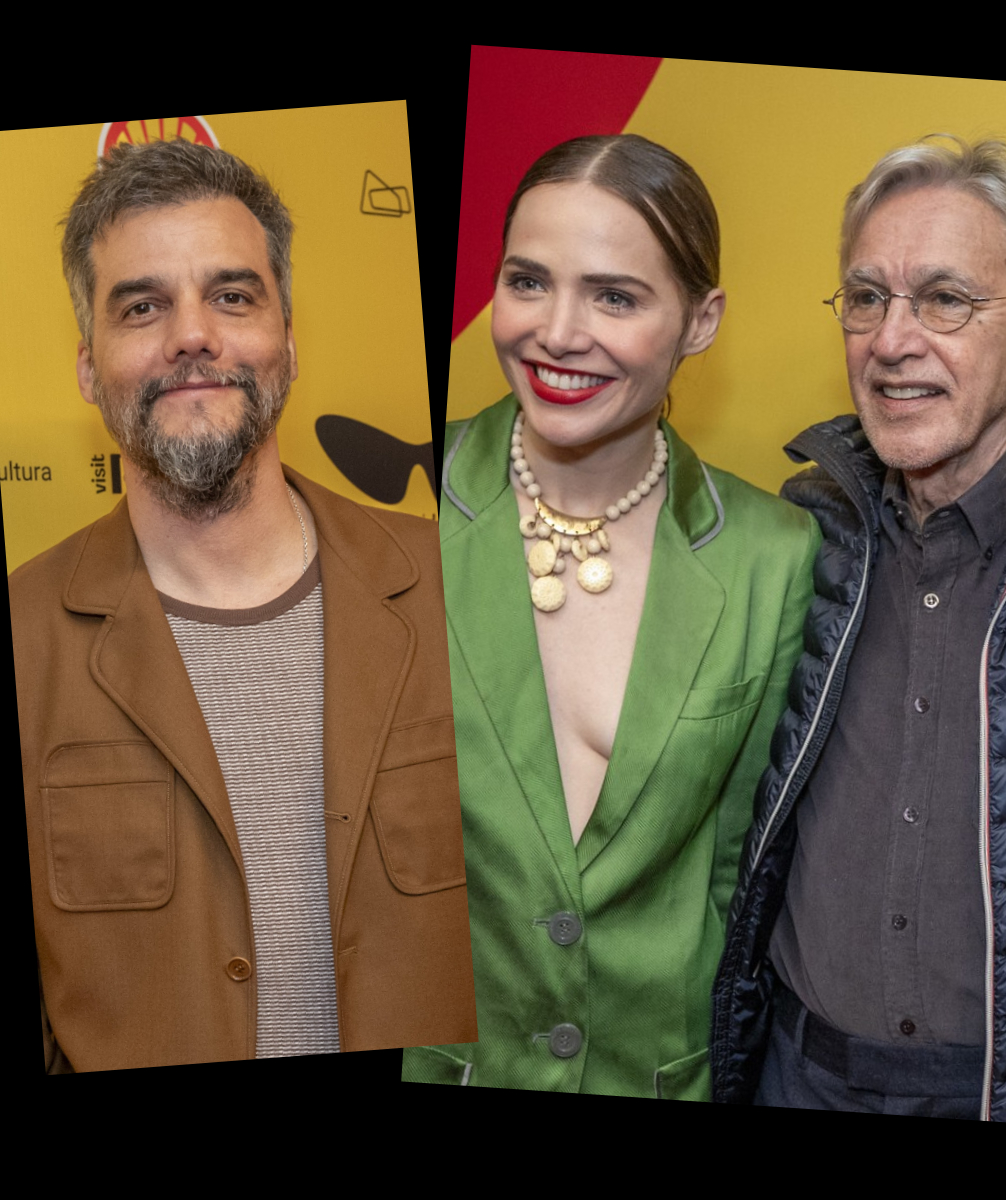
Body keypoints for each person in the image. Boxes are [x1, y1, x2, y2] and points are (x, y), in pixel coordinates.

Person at [711, 136, 1006, 1121]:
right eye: (867, 298)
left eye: (946, 300)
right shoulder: (803, 535)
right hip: (795, 1072)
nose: (891, 340)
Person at [14, 139, 476, 1072]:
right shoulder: (24, 638)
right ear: (88, 368)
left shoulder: (462, 587)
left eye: (231, 296)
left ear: (290, 344)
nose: (192, 335)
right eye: (142, 306)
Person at [401, 134, 819, 1099]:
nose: (557, 333)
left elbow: (740, 874)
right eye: (527, 282)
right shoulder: (397, 509)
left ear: (701, 320)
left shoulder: (773, 554)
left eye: (615, 297)